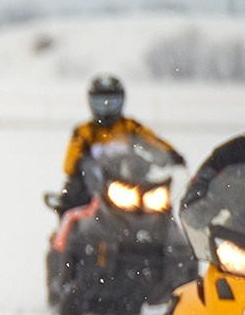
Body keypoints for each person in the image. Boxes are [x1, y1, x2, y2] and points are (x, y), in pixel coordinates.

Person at [54, 74, 182, 215]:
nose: (106, 108)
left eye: (112, 102)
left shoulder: (130, 126)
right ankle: (66, 222)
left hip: (128, 182)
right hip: (93, 186)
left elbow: (152, 140)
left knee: (160, 205)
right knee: (71, 196)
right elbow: (69, 164)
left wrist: (171, 154)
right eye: (100, 103)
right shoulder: (84, 131)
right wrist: (80, 162)